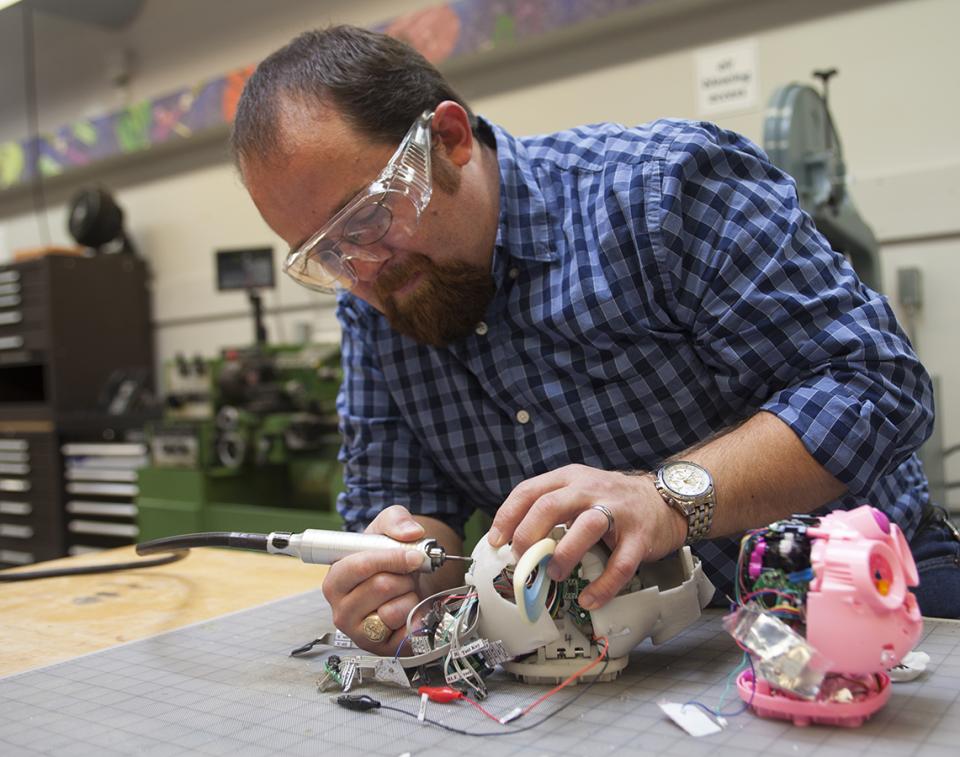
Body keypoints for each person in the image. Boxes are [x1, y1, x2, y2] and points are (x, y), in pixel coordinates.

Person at [230, 25, 959, 652]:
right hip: (613, 645)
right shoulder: (376, 300)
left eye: (365, 219)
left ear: (447, 140)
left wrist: (667, 499)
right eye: (325, 254)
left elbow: (875, 384)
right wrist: (400, 567)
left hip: (855, 593)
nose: (360, 269)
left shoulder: (663, 190)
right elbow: (405, 501)